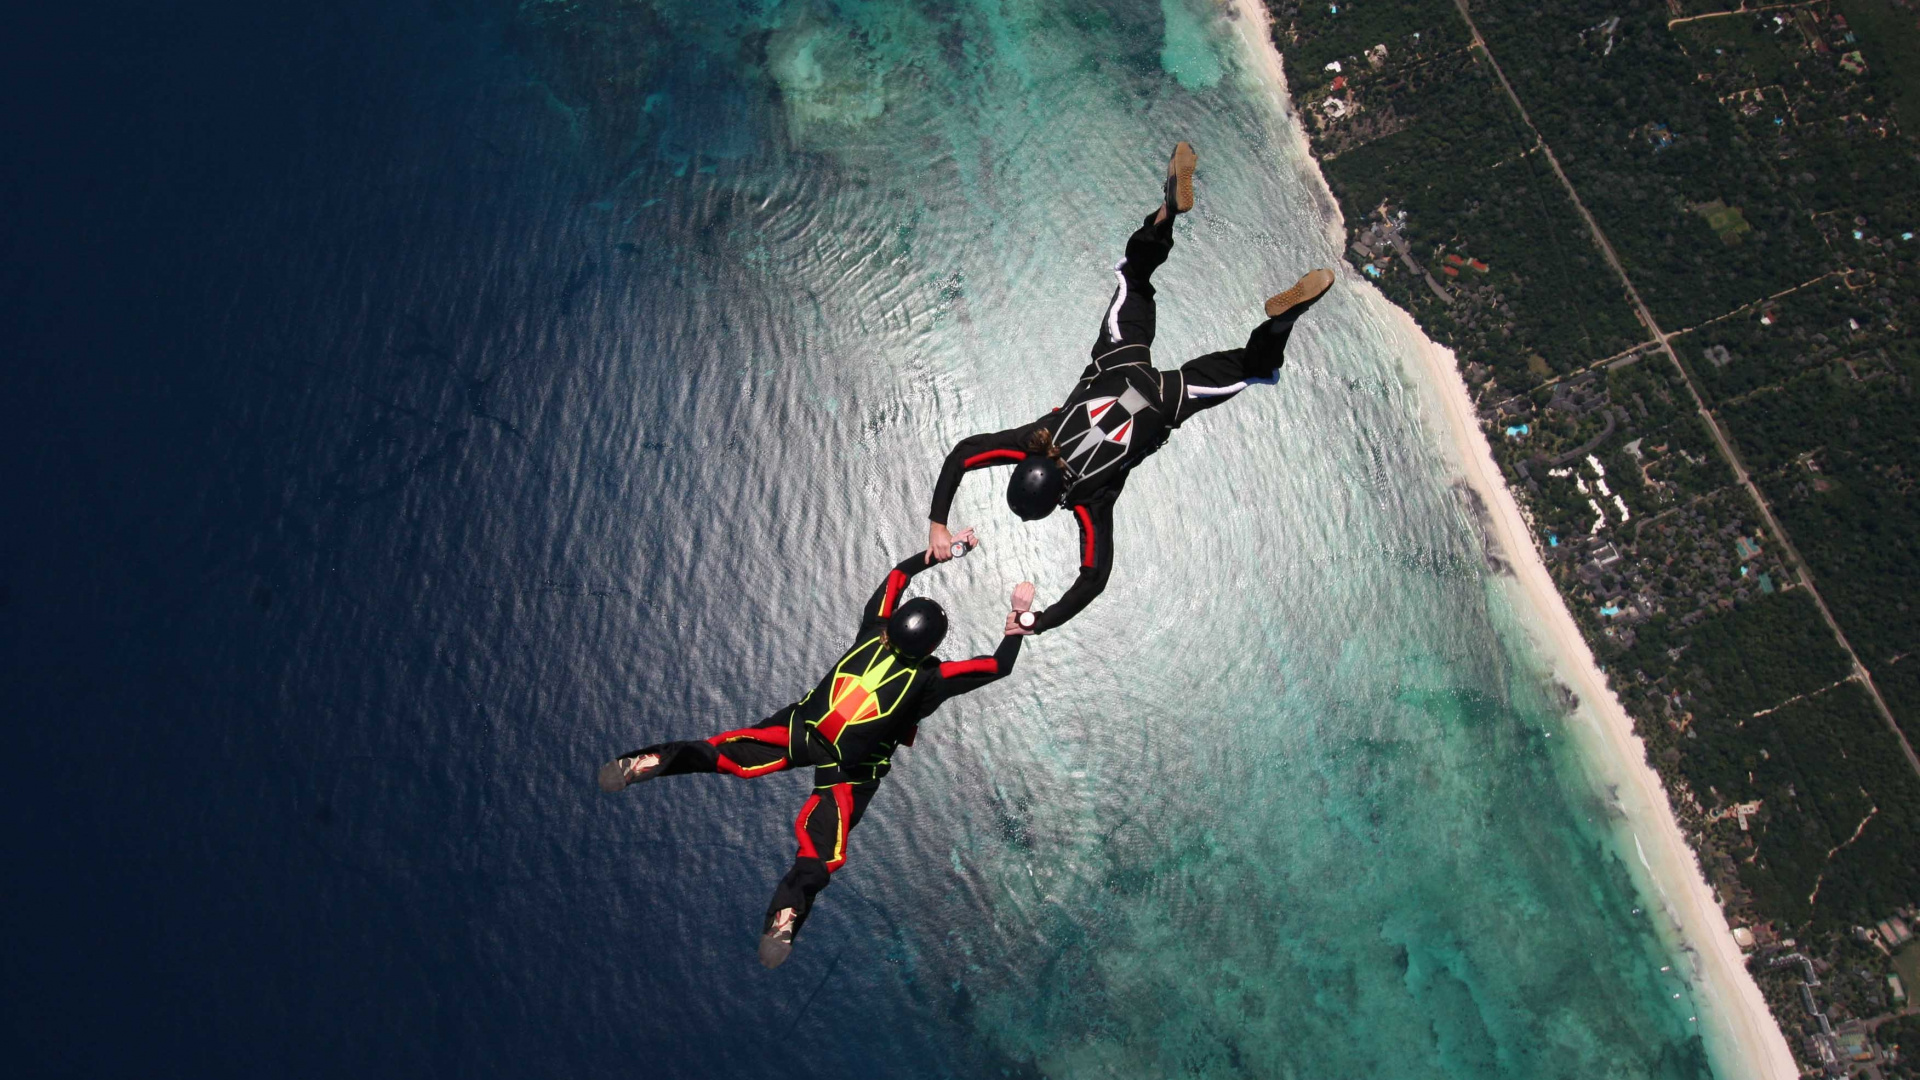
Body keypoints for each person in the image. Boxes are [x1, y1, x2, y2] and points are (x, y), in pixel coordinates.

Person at [924, 142, 1334, 634]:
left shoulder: (1090, 501)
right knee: (1135, 277)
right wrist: (937, 521)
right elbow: (965, 453)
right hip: (1121, 362)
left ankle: (1285, 321)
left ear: (1055, 499)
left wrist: (1035, 621)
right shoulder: (1036, 437)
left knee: (1250, 367)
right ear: (1027, 466)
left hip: (1165, 399)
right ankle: (1167, 209)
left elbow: (1093, 579)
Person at [597, 532, 1036, 969]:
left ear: (897, 623)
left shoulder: (873, 629)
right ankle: (785, 916)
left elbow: (897, 575)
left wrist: (942, 552)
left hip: (801, 728)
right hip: (848, 771)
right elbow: (998, 665)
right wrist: (1018, 615)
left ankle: (649, 761)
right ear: (933, 648)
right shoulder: (931, 679)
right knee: (820, 853)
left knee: (721, 753)